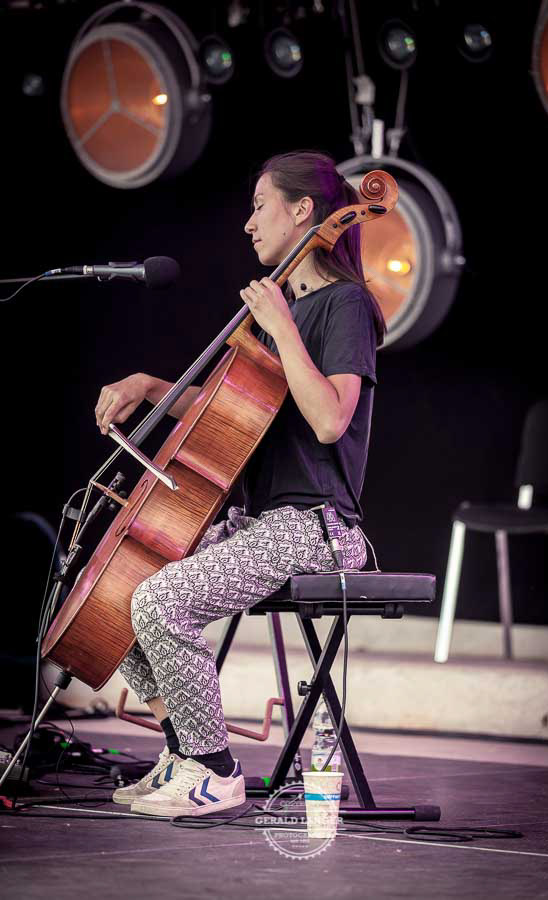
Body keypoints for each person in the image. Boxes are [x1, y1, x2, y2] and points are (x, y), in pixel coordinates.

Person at [93, 150, 385, 818]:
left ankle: (216, 771)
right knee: (119, 600)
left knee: (161, 599)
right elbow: (232, 412)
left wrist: (281, 325)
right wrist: (150, 386)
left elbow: (330, 419)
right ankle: (182, 753)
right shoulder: (284, 310)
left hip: (317, 527)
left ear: (303, 210)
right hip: (259, 523)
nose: (249, 224)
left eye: (260, 206)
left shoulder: (345, 306)